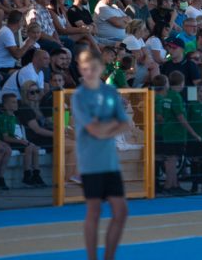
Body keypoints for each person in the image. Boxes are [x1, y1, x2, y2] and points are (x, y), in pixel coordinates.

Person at [72, 50, 130, 260]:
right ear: (81, 69)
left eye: (94, 68)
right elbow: (93, 128)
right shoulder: (79, 96)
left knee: (121, 211)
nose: (90, 72)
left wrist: (104, 128)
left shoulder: (109, 92)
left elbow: (124, 123)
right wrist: (109, 126)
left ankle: (109, 257)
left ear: (101, 68)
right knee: (94, 211)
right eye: (86, 68)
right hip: (90, 162)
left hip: (110, 162)